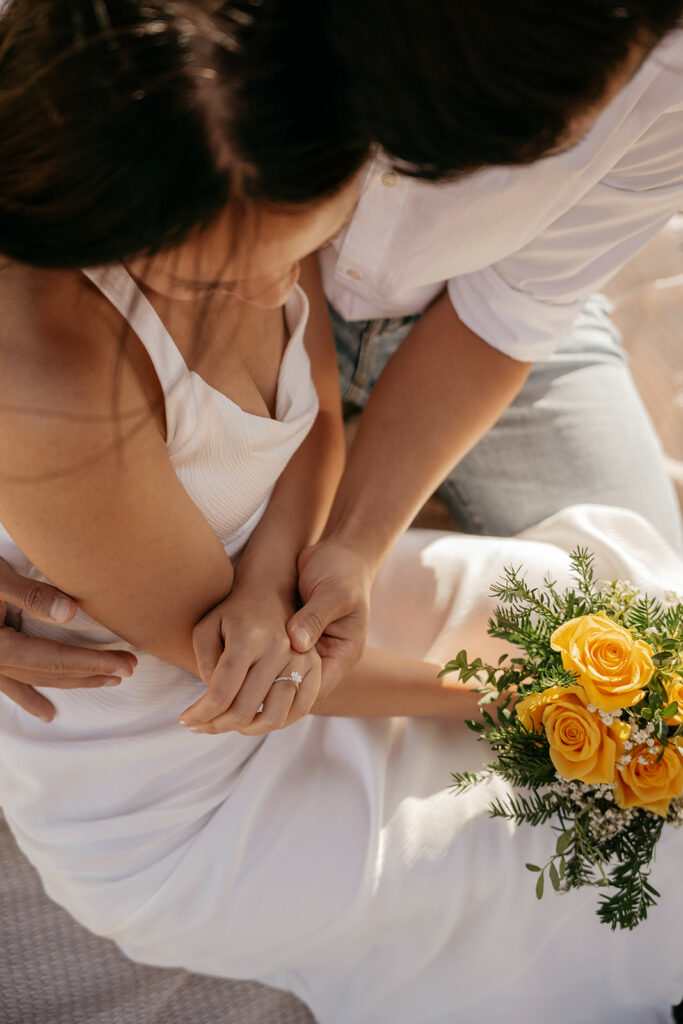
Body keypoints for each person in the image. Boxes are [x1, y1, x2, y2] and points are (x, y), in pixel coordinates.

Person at [0, 4, 682, 1023]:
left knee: (616, 620)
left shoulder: (267, 158)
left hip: (278, 590)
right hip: (184, 760)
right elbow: (239, 665)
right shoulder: (50, 379)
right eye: (228, 278)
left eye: (304, 245)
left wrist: (311, 559)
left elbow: (314, 405)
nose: (281, 286)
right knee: (551, 859)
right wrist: (529, 701)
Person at [2, 0, 683, 721]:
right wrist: (545, 705)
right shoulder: (67, 340)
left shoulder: (663, 72)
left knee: (654, 620)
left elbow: (513, 312)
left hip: (485, 324)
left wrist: (332, 553)